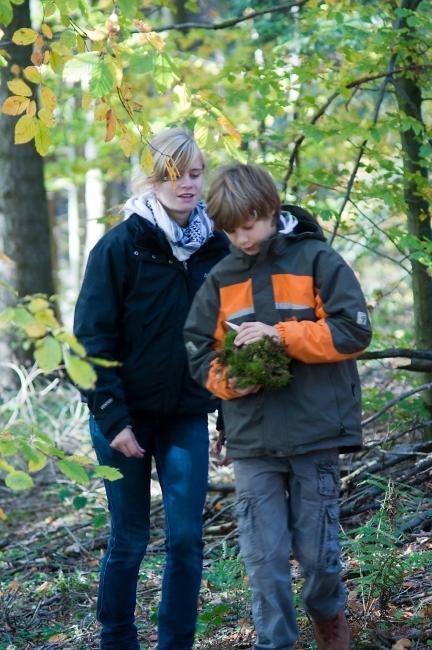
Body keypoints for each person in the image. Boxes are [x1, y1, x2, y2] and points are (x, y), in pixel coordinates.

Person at [184, 163, 372, 650]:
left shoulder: (316, 258)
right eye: (230, 230)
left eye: (248, 225)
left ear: (269, 210)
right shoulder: (221, 278)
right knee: (263, 558)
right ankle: (276, 642)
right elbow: (196, 350)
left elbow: (355, 330)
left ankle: (329, 618)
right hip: (253, 442)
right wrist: (235, 380)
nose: (241, 238)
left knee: (318, 555)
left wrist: (281, 336)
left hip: (316, 433)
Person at [73, 127, 228, 650]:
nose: (187, 184)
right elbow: (91, 340)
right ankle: (117, 639)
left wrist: (228, 411)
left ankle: (175, 643)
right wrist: (113, 419)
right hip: (124, 416)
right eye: (174, 174)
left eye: (195, 173)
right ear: (152, 178)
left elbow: (227, 335)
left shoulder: (216, 247)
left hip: (186, 413)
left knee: (185, 539)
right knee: (130, 539)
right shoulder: (120, 246)